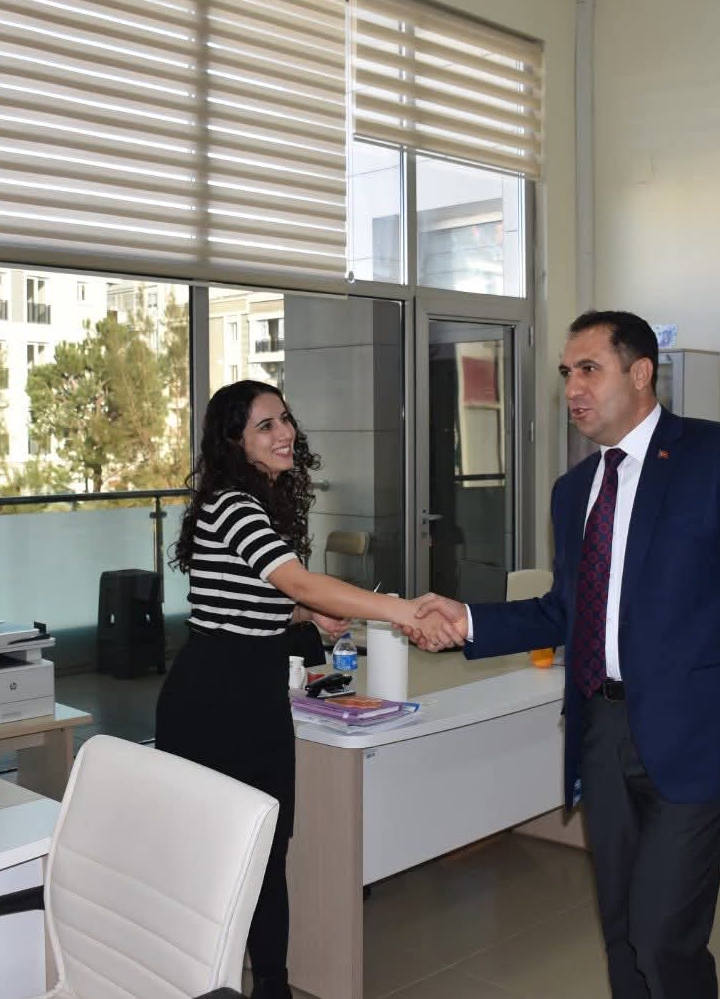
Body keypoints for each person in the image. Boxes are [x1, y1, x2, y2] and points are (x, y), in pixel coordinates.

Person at [409, 310, 720, 999]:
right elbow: (563, 610)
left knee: (664, 936)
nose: (572, 388)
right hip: (601, 731)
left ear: (641, 372)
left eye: (589, 369)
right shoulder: (574, 492)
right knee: (622, 932)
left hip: (700, 736)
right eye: (567, 373)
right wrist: (467, 618)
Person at [155, 379, 451, 999]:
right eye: (265, 425)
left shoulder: (254, 503)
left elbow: (252, 599)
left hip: (252, 692)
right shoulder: (235, 504)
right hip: (215, 700)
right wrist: (397, 609)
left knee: (267, 848)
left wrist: (305, 615)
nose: (284, 433)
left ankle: (270, 984)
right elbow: (300, 581)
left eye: (285, 419)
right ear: (234, 441)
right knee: (219, 848)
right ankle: (206, 979)